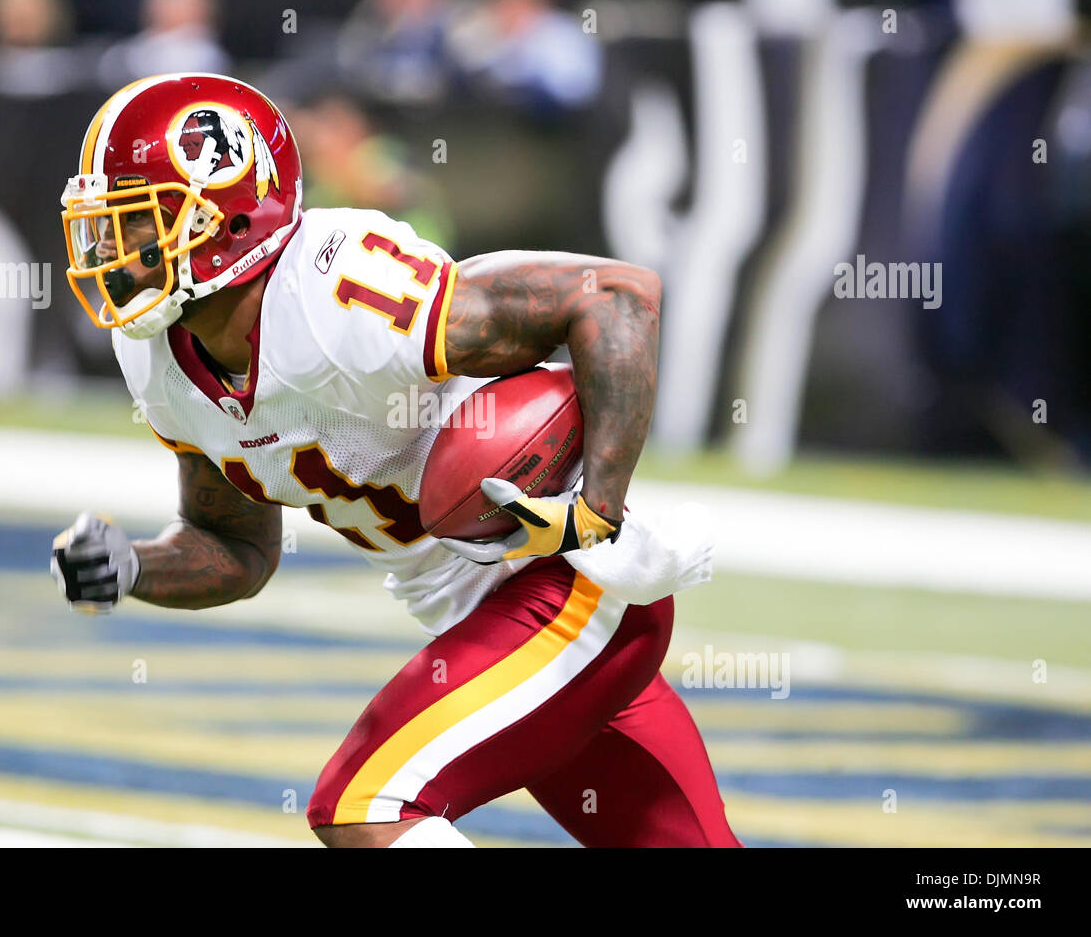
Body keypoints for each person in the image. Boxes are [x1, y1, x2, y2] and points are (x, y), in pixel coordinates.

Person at [51, 73, 736, 848]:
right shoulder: (156, 357)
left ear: (229, 220)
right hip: (488, 626)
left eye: (140, 221)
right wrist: (134, 568)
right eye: (106, 224)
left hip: (563, 591)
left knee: (367, 806)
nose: (112, 251)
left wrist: (598, 509)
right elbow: (238, 547)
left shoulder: (339, 294)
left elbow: (615, 297)